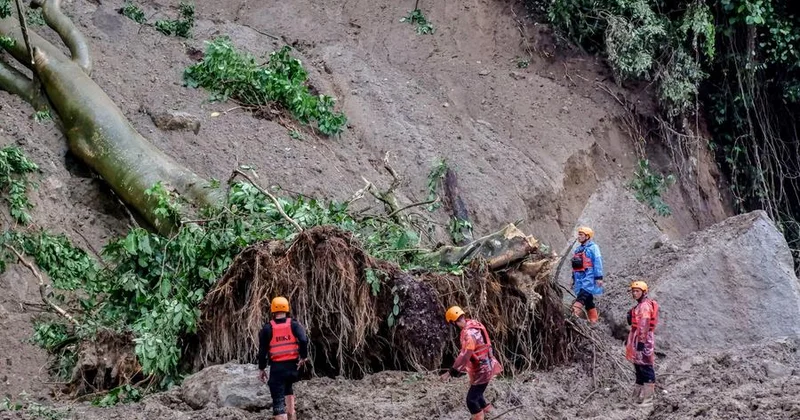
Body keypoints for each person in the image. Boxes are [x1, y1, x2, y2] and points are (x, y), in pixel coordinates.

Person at [440, 306, 503, 420]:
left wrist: (451, 372)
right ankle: (491, 414)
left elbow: (465, 355)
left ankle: (478, 417)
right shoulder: (475, 324)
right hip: (487, 365)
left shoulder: (469, 334)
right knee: (478, 396)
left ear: (453, 322)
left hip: (482, 369)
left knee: (471, 400)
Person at [257, 296, 310, 420]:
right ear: (286, 309)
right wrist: (303, 356)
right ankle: (292, 415)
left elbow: (262, 351)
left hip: (277, 368)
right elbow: (303, 339)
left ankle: (282, 415)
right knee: (288, 387)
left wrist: (261, 368)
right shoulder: (294, 324)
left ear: (273, 310)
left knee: (278, 402)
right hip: (293, 368)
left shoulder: (267, 328)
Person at [625, 280, 659, 407]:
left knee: (645, 367)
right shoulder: (639, 305)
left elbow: (644, 325)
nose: (634, 293)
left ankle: (648, 399)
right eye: (633, 291)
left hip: (643, 340)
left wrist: (641, 342)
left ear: (643, 292)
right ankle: (636, 397)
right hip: (637, 338)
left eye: (637, 291)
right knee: (639, 368)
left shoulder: (644, 306)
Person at [571, 226, 604, 323]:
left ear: (587, 236)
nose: (579, 237)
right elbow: (574, 266)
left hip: (589, 277)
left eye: (581, 235)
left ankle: (573, 314)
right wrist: (573, 279)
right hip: (579, 278)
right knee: (588, 300)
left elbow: (597, 261)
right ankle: (594, 321)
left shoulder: (593, 248)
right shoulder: (578, 250)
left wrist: (599, 277)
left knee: (582, 296)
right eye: (579, 234)